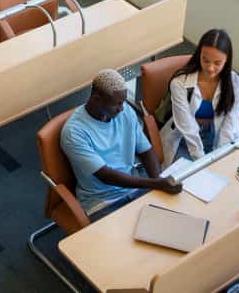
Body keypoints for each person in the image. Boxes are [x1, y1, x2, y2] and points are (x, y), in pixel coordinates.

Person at [60, 69, 181, 212]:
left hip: (133, 190)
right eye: (116, 104)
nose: (121, 108)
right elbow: (106, 176)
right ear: (96, 98)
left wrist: (159, 182)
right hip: (102, 202)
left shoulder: (125, 112)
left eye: (123, 102)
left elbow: (145, 151)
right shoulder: (74, 132)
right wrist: (156, 184)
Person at [159, 29, 239, 167]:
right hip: (185, 139)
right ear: (199, 54)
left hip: (217, 135)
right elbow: (186, 127)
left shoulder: (237, 85)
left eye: (217, 63)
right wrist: (202, 161)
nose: (210, 68)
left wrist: (220, 156)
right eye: (205, 60)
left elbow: (229, 126)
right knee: (189, 178)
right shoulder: (180, 83)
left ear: (227, 61)